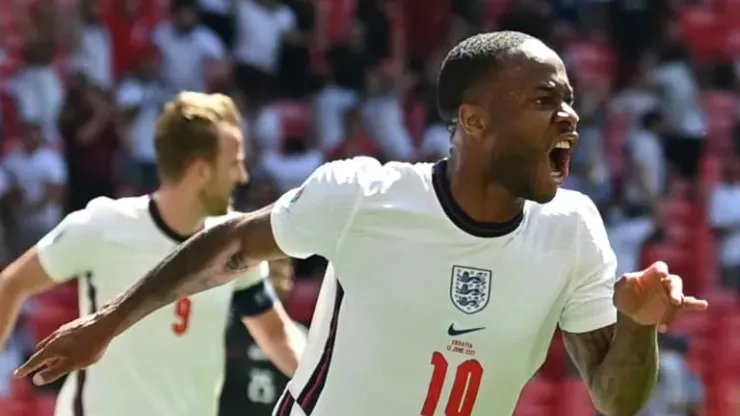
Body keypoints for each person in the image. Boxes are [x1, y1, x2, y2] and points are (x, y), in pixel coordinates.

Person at [15, 32, 708, 416]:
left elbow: (616, 399)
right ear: (474, 121)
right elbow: (230, 243)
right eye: (544, 100)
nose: (570, 116)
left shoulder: (574, 229)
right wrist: (107, 324)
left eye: (570, 99)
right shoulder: (364, 195)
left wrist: (639, 326)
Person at [0, 92, 306, 416]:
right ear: (200, 171)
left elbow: (276, 334)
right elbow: (12, 283)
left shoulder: (233, 240)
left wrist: (329, 392)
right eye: (234, 163)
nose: (243, 176)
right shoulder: (103, 225)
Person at [219, 258, 306, 416]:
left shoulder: (304, 339)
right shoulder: (225, 329)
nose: (277, 279)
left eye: (282, 272)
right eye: (273, 269)